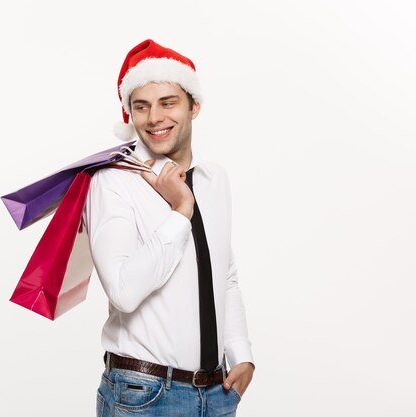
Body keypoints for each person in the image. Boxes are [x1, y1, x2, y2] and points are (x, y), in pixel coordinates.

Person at [83, 39, 255, 417]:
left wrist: (240, 353)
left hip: (216, 392)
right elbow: (123, 290)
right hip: (146, 396)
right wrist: (180, 211)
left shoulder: (214, 179)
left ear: (194, 106)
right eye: (141, 106)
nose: (154, 118)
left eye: (168, 102)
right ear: (129, 114)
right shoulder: (113, 182)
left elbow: (224, 274)